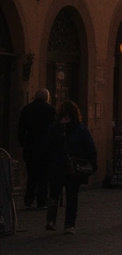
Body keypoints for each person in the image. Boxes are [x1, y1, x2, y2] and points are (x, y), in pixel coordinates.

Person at [44, 100, 98, 234]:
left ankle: (50, 220)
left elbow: (45, 148)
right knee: (72, 195)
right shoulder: (81, 129)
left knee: (54, 194)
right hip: (74, 167)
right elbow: (91, 148)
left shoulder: (53, 128)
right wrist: (93, 164)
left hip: (56, 165)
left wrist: (46, 164)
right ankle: (69, 225)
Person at [17, 88, 56, 208]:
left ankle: (29, 200)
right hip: (46, 148)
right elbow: (55, 130)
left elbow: (21, 128)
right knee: (44, 177)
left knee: (32, 175)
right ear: (47, 98)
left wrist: (23, 143)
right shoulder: (51, 110)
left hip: (31, 147)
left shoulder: (27, 109)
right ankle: (41, 201)